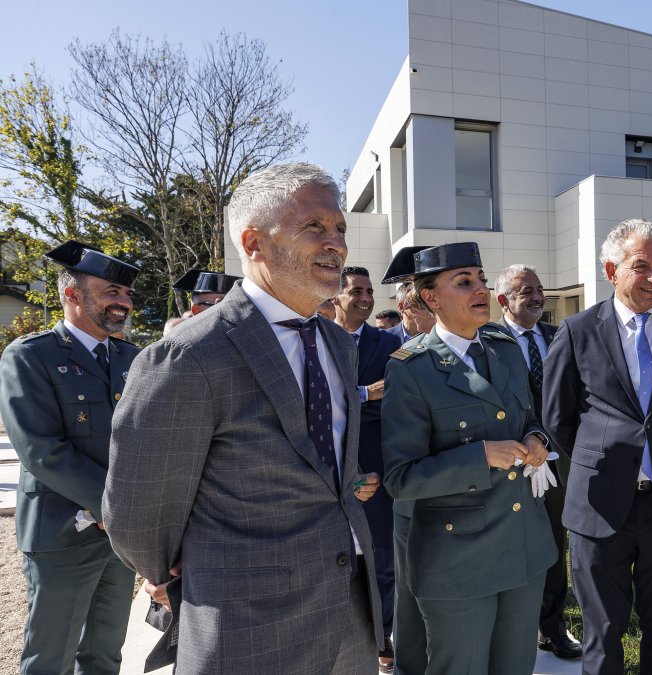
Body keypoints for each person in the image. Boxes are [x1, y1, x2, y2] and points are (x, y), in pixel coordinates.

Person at [103, 162, 384, 674]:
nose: (336, 244)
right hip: (247, 628)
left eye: (340, 228)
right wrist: (173, 575)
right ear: (253, 243)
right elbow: (139, 509)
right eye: (314, 226)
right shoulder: (190, 355)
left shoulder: (339, 345)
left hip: (349, 616)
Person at [542, 218, 652, 675]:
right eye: (641, 266)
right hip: (598, 507)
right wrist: (603, 461)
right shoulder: (577, 331)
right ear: (611, 270)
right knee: (603, 632)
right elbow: (557, 418)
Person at [381, 242, 557, 675]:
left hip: (524, 546)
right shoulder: (412, 368)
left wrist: (536, 438)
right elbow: (401, 478)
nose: (480, 289)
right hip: (458, 559)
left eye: (481, 278)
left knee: (515, 666)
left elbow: (530, 416)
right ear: (431, 298)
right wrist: (480, 456)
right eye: (464, 282)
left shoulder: (504, 347)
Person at [0, 241, 140, 675]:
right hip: (62, 532)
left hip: (119, 536)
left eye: (127, 294)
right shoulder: (30, 356)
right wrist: (115, 507)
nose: (124, 302)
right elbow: (42, 450)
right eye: (111, 291)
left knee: (105, 652)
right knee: (50, 656)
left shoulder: (133, 358)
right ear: (72, 293)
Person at [331, 265, 424, 675]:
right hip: (326, 465)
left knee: (382, 556)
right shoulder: (315, 338)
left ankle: (383, 635)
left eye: (369, 291)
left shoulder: (390, 344)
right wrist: (364, 394)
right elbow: (311, 400)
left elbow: (399, 396)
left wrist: (356, 402)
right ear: (336, 296)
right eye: (357, 291)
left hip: (376, 462)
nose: (366, 298)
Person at [494, 263, 581, 660]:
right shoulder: (486, 340)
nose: (536, 296)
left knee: (553, 541)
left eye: (539, 289)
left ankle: (552, 627)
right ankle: (506, 627)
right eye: (525, 290)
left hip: (557, 461)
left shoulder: (559, 335)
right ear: (503, 300)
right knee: (508, 542)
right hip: (508, 460)